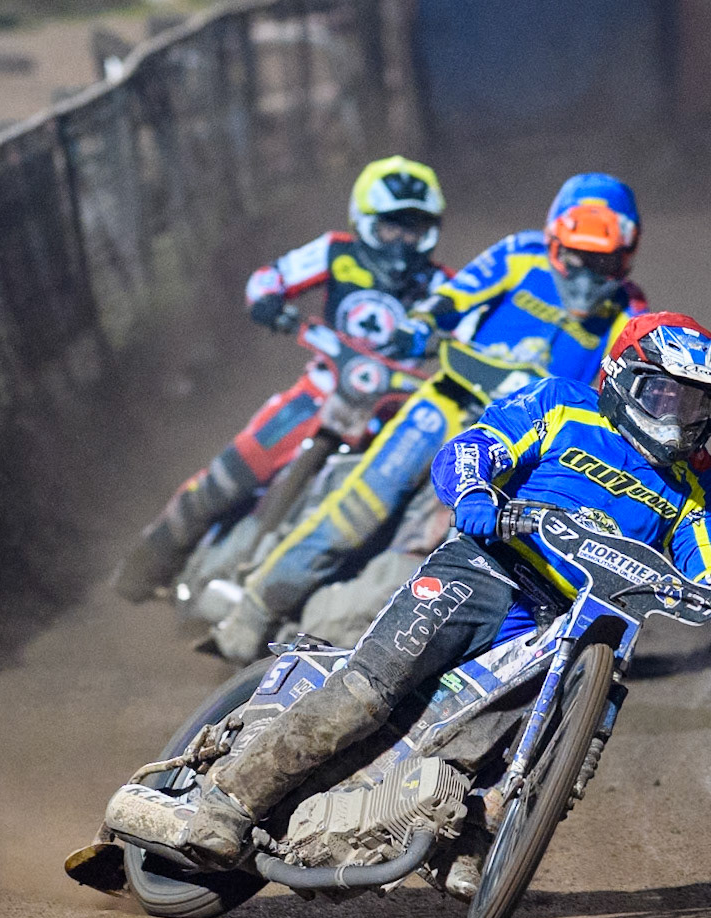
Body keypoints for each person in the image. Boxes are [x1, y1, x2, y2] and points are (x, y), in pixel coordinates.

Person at [180, 311, 711, 872]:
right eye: (664, 393)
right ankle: (227, 802)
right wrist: (474, 493)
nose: (678, 413)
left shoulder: (695, 475)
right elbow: (475, 445)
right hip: (486, 568)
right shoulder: (562, 404)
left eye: (696, 399)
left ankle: (475, 843)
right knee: (366, 695)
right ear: (624, 378)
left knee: (550, 734)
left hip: (568, 620)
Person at [211, 172, 648, 661]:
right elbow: (454, 297)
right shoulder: (518, 254)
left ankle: (325, 635)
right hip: (444, 400)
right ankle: (247, 618)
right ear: (552, 241)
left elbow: (613, 401)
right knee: (356, 509)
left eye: (602, 263)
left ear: (625, 257)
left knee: (426, 554)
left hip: (509, 451)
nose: (585, 277)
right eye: (575, 258)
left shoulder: (629, 313)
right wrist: (417, 329)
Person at [112, 156, 451, 602]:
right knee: (230, 473)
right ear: (365, 221)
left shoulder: (443, 285)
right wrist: (272, 304)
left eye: (414, 228)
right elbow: (270, 278)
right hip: (322, 388)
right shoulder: (337, 251)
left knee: (385, 508)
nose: (401, 242)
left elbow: (470, 336)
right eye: (391, 226)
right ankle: (148, 560)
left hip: (391, 411)